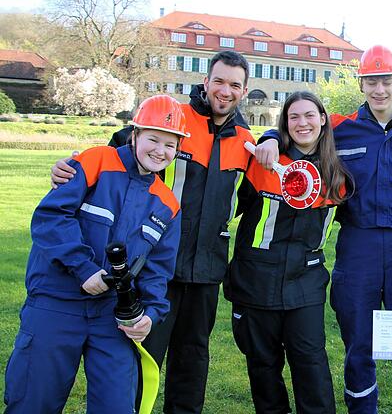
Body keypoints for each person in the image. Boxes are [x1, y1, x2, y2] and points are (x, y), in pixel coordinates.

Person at [50, 50, 255, 413]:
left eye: (235, 85)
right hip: (153, 264)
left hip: (206, 269)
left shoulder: (246, 140)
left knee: (193, 360)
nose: (226, 90)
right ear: (205, 82)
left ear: (244, 90)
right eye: (219, 81)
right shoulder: (173, 119)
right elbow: (114, 157)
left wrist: (270, 139)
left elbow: (248, 199)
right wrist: (70, 169)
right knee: (142, 355)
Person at [252, 45, 392, 413]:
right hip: (357, 244)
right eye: (371, 81)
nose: (379, 89)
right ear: (362, 84)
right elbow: (301, 132)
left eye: (386, 80)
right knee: (358, 341)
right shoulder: (342, 129)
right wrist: (268, 136)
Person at [4, 95, 186, 413]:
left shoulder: (167, 203)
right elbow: (51, 217)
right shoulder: (96, 161)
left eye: (170, 145)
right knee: (34, 402)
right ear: (135, 135)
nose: (160, 151)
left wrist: (150, 316)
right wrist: (83, 268)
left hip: (111, 317)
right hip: (56, 303)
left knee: (116, 405)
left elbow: (158, 270)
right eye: (153, 139)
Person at [224, 91, 349, 413]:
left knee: (312, 368)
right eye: (294, 117)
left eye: (310, 115)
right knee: (263, 371)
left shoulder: (338, 176)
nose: (302, 123)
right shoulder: (263, 162)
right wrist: (268, 138)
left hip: (305, 285)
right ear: (285, 123)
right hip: (255, 283)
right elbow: (223, 204)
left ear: (323, 119)